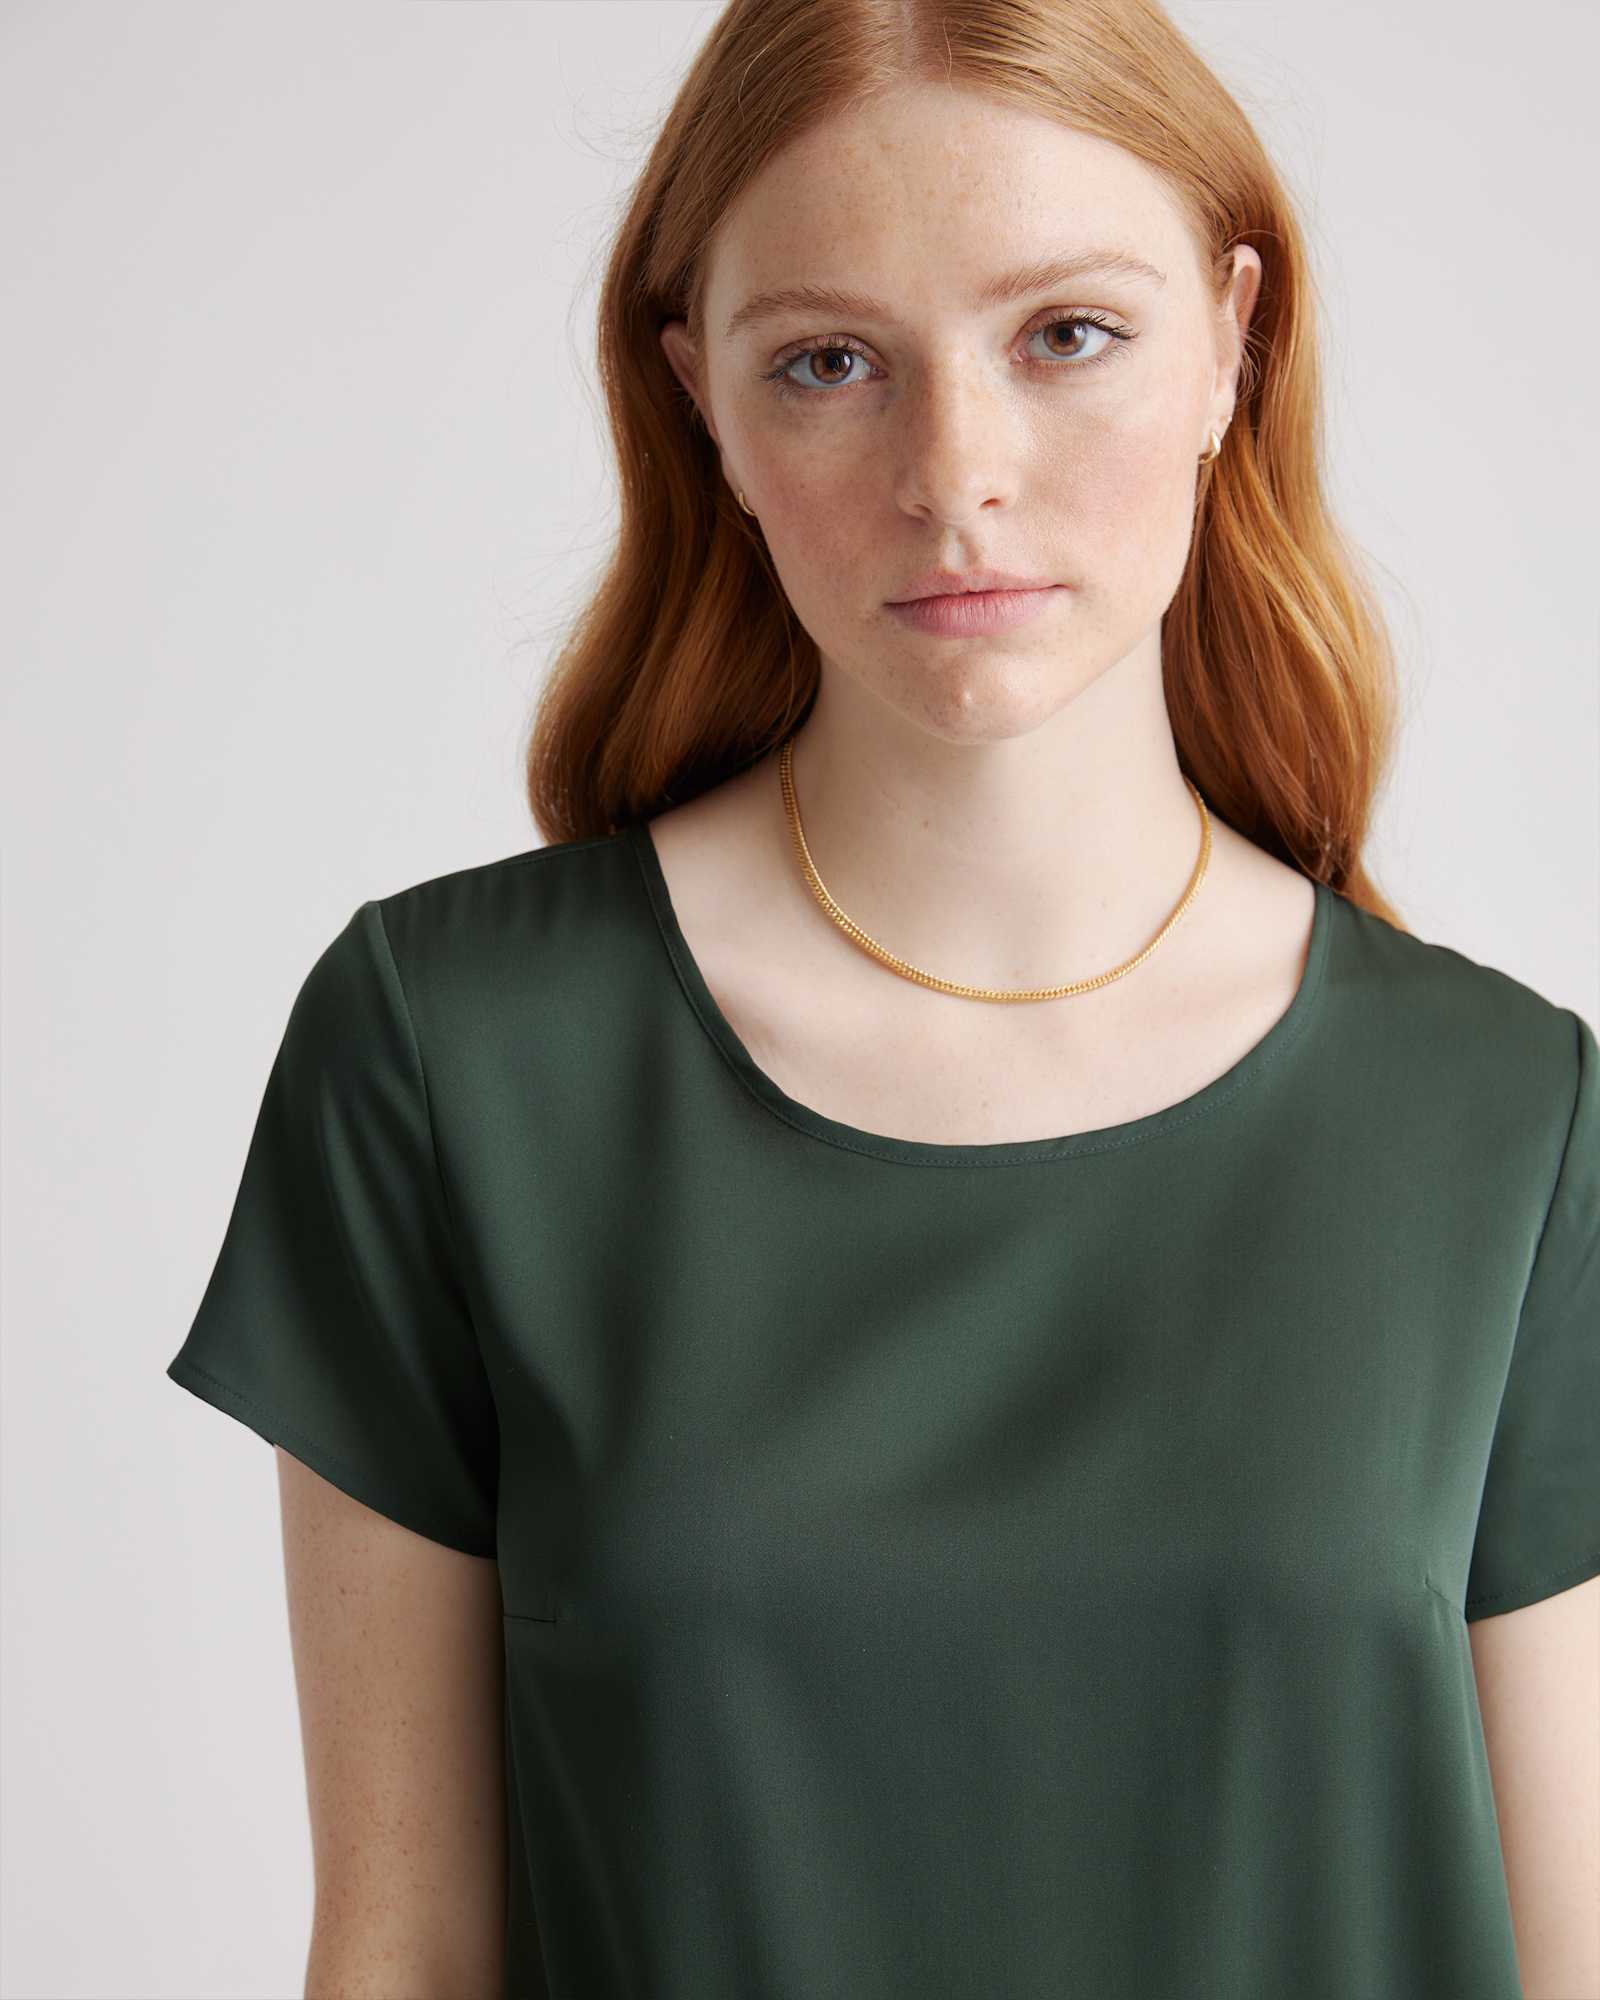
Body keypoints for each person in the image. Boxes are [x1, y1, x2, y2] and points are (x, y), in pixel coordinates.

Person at [166, 0, 1600, 1994]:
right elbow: (404, 1951)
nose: (957, 474)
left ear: (1231, 341)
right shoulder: (451, 1055)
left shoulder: (1502, 1117)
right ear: (703, 399)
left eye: (1065, 334)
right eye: (829, 362)